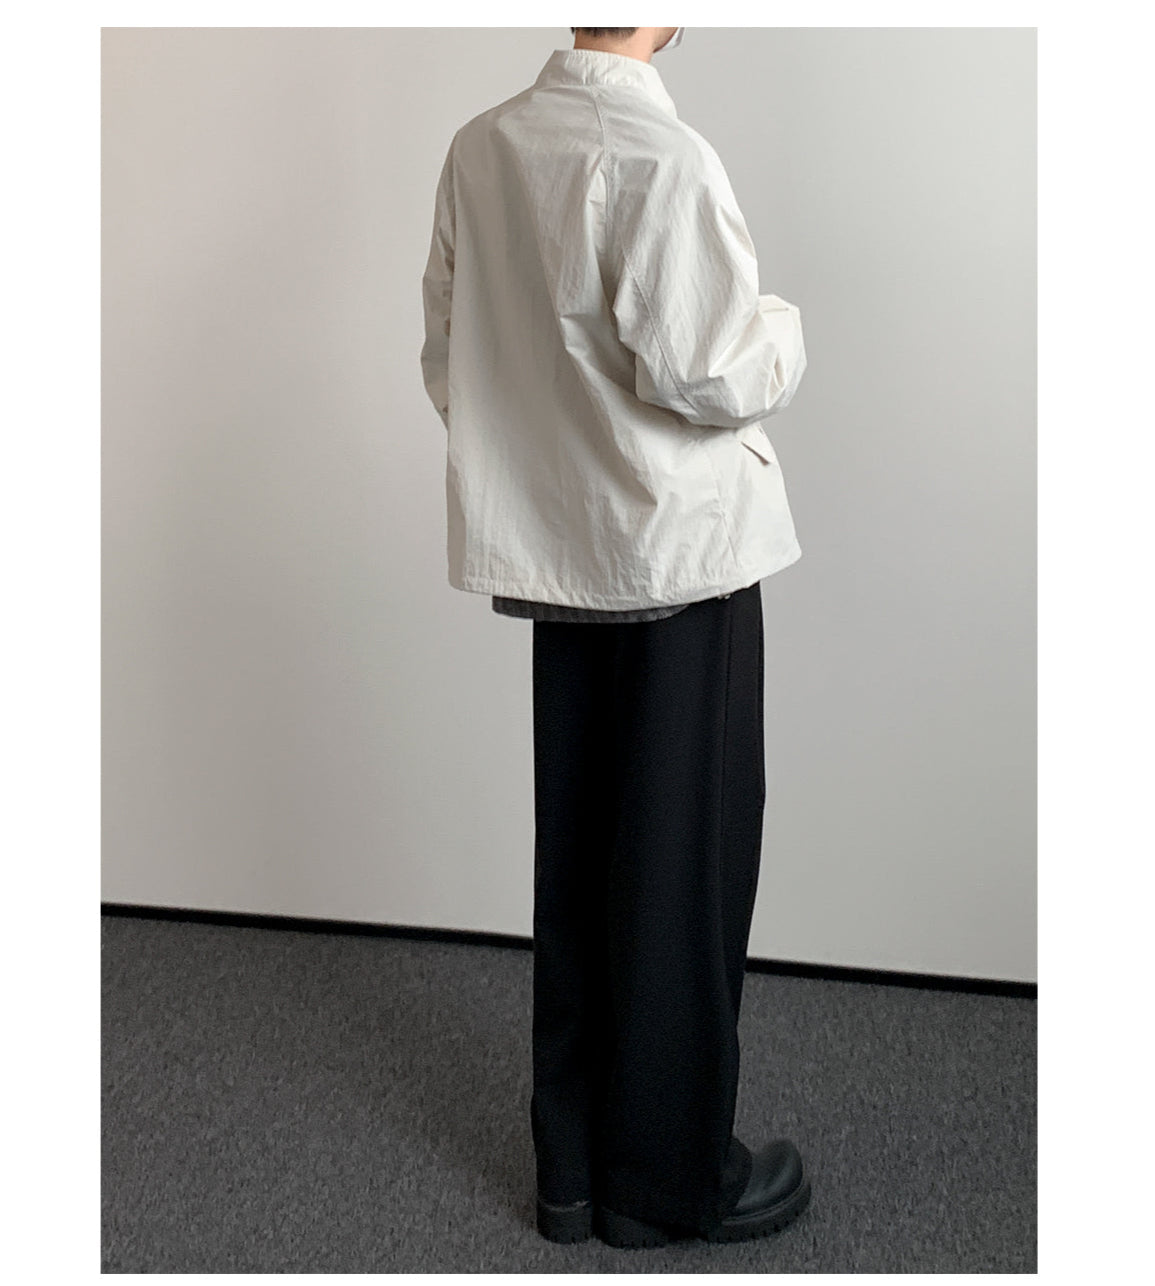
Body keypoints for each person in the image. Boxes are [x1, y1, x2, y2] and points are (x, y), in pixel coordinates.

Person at [420, 26, 810, 1249]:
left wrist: (552, 462)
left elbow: (451, 358)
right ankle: (667, 1179)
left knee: (583, 857)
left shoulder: (482, 148)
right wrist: (785, 323)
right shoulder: (658, 153)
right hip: (681, 555)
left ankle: (575, 1168)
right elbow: (719, 369)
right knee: (682, 867)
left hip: (562, 556)